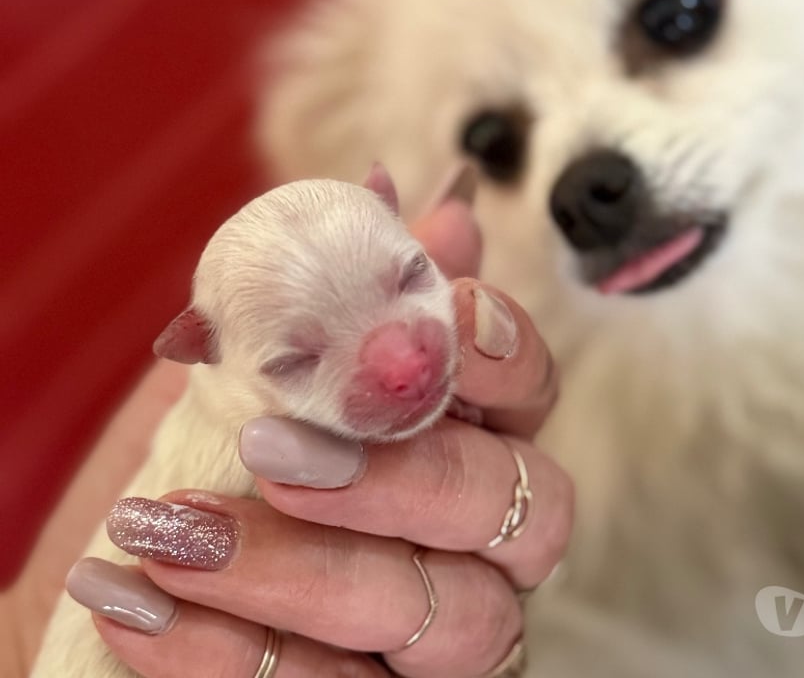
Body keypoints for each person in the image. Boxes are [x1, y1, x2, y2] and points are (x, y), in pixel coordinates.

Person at [3, 196, 574, 678]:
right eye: (299, 361)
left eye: (411, 277)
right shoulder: (226, 442)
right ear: (200, 352)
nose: (404, 365)